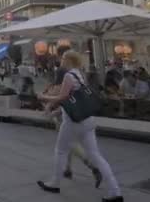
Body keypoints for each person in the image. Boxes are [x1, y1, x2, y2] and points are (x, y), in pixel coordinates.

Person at [36, 51, 123, 202]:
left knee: (60, 150)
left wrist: (44, 97)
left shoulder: (69, 75)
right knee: (96, 155)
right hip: (87, 121)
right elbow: (73, 101)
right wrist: (54, 111)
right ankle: (115, 191)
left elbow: (62, 97)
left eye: (63, 58)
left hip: (73, 122)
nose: (61, 60)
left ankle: (55, 183)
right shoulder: (79, 74)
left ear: (69, 60)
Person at [43, 47, 102, 188]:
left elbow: (60, 91)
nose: (60, 59)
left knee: (66, 142)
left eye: (61, 56)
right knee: (67, 141)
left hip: (66, 109)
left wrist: (48, 102)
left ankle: (91, 165)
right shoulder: (77, 71)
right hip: (75, 110)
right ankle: (68, 169)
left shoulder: (63, 70)